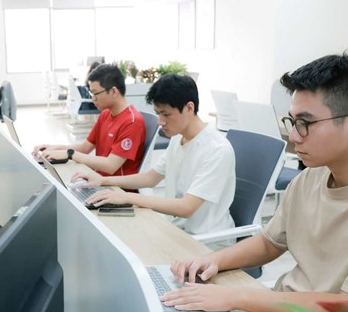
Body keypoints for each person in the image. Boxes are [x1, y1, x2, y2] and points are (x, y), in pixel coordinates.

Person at [164, 52, 348, 312]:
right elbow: (269, 241)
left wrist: (236, 297)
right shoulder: (312, 177)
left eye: (305, 123)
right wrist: (213, 260)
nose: (294, 136)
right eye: (293, 122)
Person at [71, 74, 235, 243]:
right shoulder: (178, 139)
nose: (160, 121)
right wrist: (102, 181)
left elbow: (187, 207)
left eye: (166, 114)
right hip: (176, 230)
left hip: (208, 242)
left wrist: (128, 198)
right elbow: (150, 178)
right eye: (157, 113)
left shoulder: (216, 150)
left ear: (189, 108)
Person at [34, 63, 147, 177]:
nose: (93, 98)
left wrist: (70, 154)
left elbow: (110, 166)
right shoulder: (106, 114)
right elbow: (84, 148)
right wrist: (54, 148)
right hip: (97, 178)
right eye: (91, 93)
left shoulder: (132, 122)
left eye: (96, 93)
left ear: (113, 91)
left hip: (117, 188)